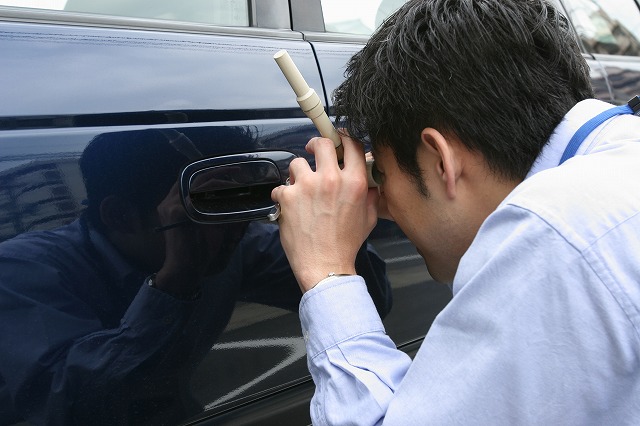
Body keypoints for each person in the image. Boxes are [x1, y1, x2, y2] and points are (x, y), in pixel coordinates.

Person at [270, 0, 640, 424]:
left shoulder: (557, 235)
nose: (382, 205)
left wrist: (326, 271)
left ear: (442, 161)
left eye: (384, 177)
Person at [0, 129, 391, 425]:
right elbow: (76, 407)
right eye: (211, 202)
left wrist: (331, 232)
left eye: (243, 198)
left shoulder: (232, 237)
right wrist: (176, 279)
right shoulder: (25, 270)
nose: (239, 225)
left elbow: (372, 302)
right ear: (119, 215)